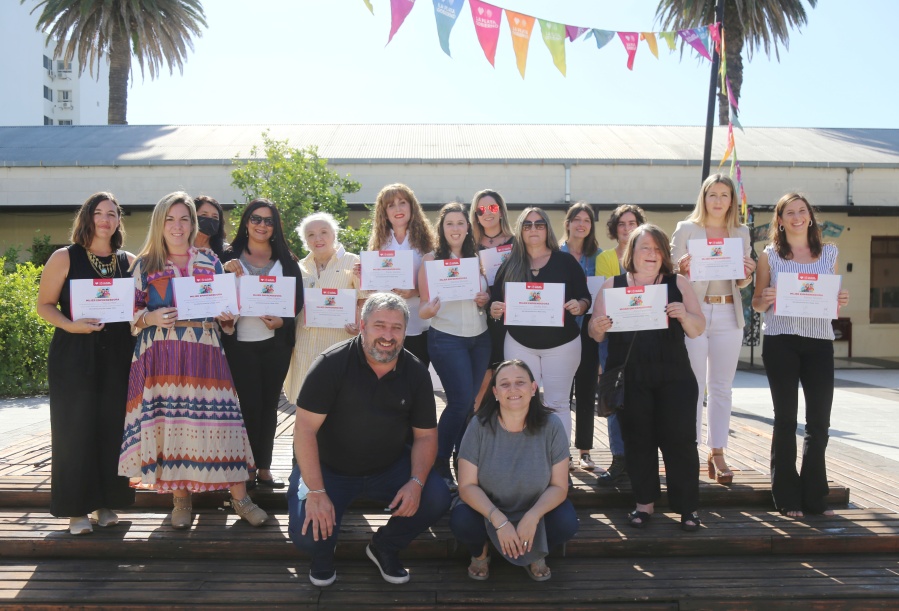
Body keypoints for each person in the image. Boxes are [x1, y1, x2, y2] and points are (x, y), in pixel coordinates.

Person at [119, 192, 267, 529]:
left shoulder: (210, 261)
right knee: (174, 423)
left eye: (184, 218)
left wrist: (228, 317)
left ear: (193, 223)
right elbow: (130, 317)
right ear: (160, 222)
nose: (177, 225)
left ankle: (241, 498)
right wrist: (151, 318)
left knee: (224, 421)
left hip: (205, 352)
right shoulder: (144, 265)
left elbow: (224, 320)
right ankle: (180, 498)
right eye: (170, 218)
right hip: (162, 355)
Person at [287, 293, 452, 587]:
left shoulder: (414, 370)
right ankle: (323, 551)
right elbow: (304, 431)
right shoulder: (330, 364)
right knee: (306, 537)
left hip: (388, 468)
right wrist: (316, 490)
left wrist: (415, 484)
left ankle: (384, 546)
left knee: (436, 496)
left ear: (404, 331)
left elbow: (426, 436)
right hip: (329, 469)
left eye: (396, 328)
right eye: (379, 325)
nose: (388, 336)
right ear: (362, 326)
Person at [588, 224, 705, 531]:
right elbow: (595, 333)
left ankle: (688, 508)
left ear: (664, 254)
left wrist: (683, 314)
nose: (651, 254)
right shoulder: (612, 285)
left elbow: (698, 328)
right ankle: (644, 504)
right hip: (631, 377)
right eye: (645, 248)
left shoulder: (678, 282)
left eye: (657, 249)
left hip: (674, 375)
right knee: (638, 441)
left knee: (680, 441)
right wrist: (598, 326)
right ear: (632, 253)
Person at [36, 192, 136, 535]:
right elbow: (45, 305)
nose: (106, 219)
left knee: (112, 429)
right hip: (74, 354)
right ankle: (76, 510)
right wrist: (70, 324)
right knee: (74, 431)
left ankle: (104, 502)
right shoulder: (65, 257)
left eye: (112, 213)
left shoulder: (130, 261)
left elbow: (138, 309)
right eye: (99, 213)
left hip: (119, 354)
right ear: (87, 217)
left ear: (119, 221)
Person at [752, 193, 849, 518]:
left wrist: (840, 298)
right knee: (785, 420)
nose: (796, 217)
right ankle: (787, 496)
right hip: (781, 340)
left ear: (810, 216)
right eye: (789, 213)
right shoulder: (770, 256)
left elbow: (830, 304)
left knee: (819, 422)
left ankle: (814, 496)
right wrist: (766, 297)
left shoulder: (829, 253)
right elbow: (757, 304)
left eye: (801, 211)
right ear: (779, 220)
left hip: (819, 342)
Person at [450, 359, 578, 582]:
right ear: (495, 392)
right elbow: (467, 486)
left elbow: (559, 486)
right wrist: (499, 521)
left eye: (520, 382)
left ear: (533, 388)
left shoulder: (552, 426)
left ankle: (535, 552)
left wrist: (533, 516)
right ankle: (481, 553)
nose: (513, 389)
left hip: (534, 507)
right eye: (505, 384)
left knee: (567, 521)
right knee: (461, 520)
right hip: (488, 509)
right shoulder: (478, 425)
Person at [671, 175, 756, 485]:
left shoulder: (741, 232)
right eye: (712, 195)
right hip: (696, 311)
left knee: (721, 386)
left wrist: (747, 275)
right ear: (703, 198)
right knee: (692, 385)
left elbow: (740, 281)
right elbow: (668, 271)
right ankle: (689, 450)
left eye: (724, 195)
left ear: (732, 200)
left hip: (728, 313)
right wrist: (679, 268)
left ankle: (717, 451)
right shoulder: (686, 229)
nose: (718, 200)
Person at [488, 207, 591, 448]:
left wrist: (579, 305)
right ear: (520, 231)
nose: (533, 229)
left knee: (558, 404)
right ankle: (528, 462)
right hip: (519, 345)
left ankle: (560, 464)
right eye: (527, 225)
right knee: (521, 403)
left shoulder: (565, 261)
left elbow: (585, 298)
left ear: (547, 229)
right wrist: (494, 309)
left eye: (539, 224)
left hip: (562, 346)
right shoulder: (510, 264)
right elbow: (495, 301)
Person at [221, 199, 304, 490]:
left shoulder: (286, 259)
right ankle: (245, 469)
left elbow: (297, 302)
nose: (261, 225)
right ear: (246, 221)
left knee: (269, 406)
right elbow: (214, 296)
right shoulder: (227, 257)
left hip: (274, 345)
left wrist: (282, 322)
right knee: (247, 407)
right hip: (239, 344)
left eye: (268, 221)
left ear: (275, 226)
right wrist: (223, 271)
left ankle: (265, 468)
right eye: (256, 218)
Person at [419, 203, 491, 491]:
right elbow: (423, 309)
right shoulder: (430, 260)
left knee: (470, 405)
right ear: (442, 228)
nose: (456, 228)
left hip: (480, 337)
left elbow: (486, 296)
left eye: (461, 223)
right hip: (446, 338)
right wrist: (431, 308)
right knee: (460, 402)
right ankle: (439, 462)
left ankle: (463, 462)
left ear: (467, 227)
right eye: (450, 223)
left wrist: (484, 299)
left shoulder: (478, 259)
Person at [283, 211, 362, 405]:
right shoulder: (299, 267)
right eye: (311, 234)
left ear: (334, 234)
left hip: (338, 345)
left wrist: (359, 324)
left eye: (324, 232)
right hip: (305, 346)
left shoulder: (354, 263)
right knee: (304, 406)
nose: (318, 238)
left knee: (338, 404)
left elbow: (364, 299)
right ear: (305, 240)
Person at [593, 204, 646, 485]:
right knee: (614, 397)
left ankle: (643, 458)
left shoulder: (652, 255)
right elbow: (610, 297)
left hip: (646, 334)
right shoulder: (604, 259)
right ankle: (619, 458)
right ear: (615, 229)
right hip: (614, 336)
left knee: (645, 397)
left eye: (632, 222)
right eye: (622, 224)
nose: (627, 228)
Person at [366, 183, 436, 367]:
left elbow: (438, 281)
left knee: (416, 373)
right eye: (391, 205)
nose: (397, 209)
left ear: (412, 207)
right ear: (384, 212)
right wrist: (363, 274)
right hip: (386, 325)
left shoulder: (428, 242)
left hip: (418, 323)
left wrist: (414, 292)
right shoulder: (378, 243)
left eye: (402, 202)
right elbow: (372, 288)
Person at [559, 202, 601, 472]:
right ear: (568, 223)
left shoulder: (599, 256)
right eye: (577, 219)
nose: (581, 224)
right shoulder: (555, 253)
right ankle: (562, 452)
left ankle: (585, 450)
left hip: (588, 327)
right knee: (561, 393)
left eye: (587, 220)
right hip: (560, 327)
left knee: (587, 389)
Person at [470, 188, 514, 408]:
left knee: (505, 374)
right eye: (481, 209)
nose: (487, 213)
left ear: (501, 211)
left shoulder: (517, 243)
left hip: (509, 317)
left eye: (492, 207)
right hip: (479, 317)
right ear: (475, 215)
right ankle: (475, 426)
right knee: (483, 377)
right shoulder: (469, 245)